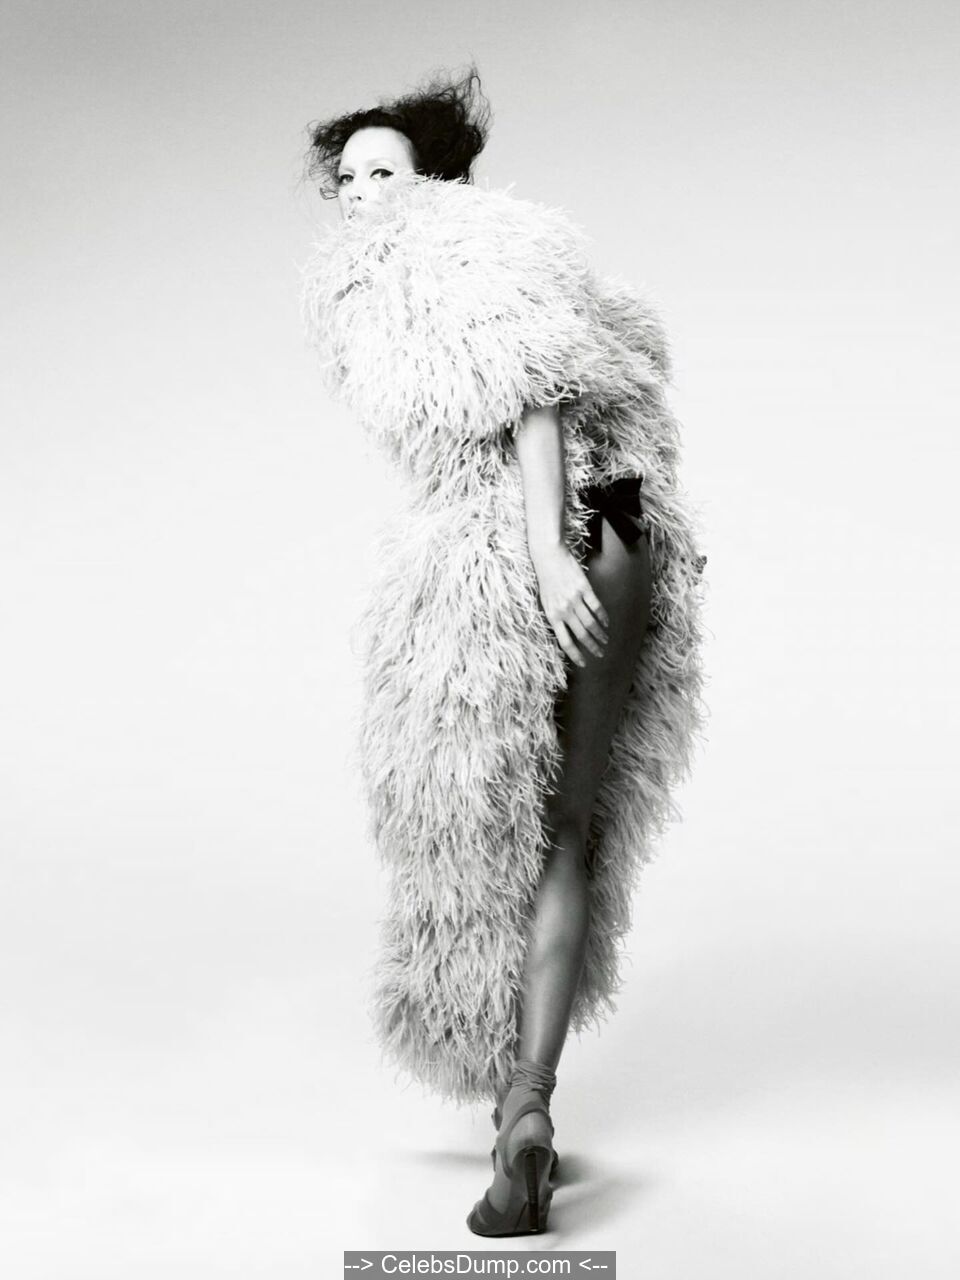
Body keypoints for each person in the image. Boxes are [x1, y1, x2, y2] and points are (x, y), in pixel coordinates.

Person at [301, 67, 707, 1237]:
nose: (362, 195)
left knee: (485, 841)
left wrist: (542, 552)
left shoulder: (444, 261)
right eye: (347, 179)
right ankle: (524, 1106)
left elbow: (531, 395)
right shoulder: (517, 257)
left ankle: (519, 1118)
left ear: (434, 180)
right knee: (567, 827)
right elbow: (620, 378)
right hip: (625, 524)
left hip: (515, 549)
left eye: (384, 172)